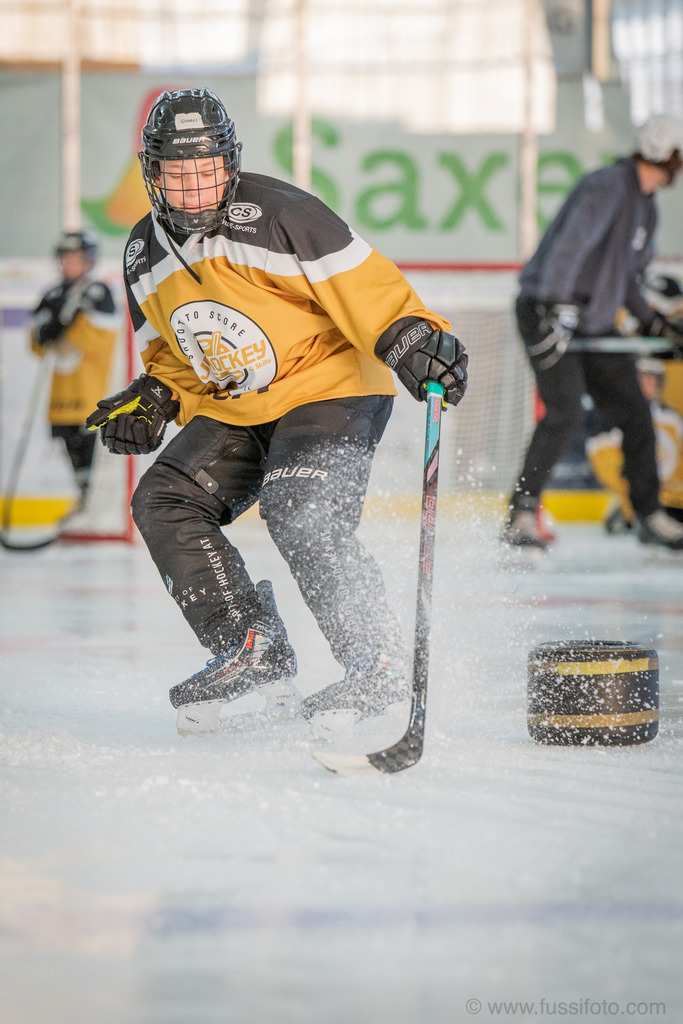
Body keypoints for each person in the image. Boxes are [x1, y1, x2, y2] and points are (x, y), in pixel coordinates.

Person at [85, 88, 468, 736]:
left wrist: (409, 335)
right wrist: (158, 395)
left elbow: (366, 287)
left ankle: (374, 660)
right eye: (179, 174)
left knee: (301, 508)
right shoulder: (140, 256)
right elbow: (174, 350)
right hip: (240, 405)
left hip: (332, 386)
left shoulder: (280, 214)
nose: (195, 188)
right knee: (163, 500)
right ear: (153, 176)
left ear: (228, 164)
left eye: (207, 171)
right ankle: (250, 647)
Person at [502, 113, 683, 552]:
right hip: (546, 310)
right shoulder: (608, 186)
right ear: (666, 153)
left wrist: (653, 322)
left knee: (636, 414)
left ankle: (648, 513)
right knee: (564, 412)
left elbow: (626, 280)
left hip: (592, 325)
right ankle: (521, 514)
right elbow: (569, 249)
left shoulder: (646, 205)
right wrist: (554, 307)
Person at [30, 231, 119, 504]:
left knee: (94, 448)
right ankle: (84, 500)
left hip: (92, 392)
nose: (70, 264)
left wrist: (67, 328)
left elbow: (102, 336)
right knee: (71, 447)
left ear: (90, 261)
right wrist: (51, 329)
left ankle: (95, 502)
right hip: (62, 395)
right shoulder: (53, 294)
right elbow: (36, 340)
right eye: (66, 258)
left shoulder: (97, 291)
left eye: (77, 258)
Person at [587, 358, 683, 532]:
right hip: (637, 494)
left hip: (671, 497)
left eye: (652, 380)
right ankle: (632, 512)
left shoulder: (673, 418)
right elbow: (600, 455)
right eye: (642, 380)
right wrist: (627, 480)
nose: (647, 385)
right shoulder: (617, 416)